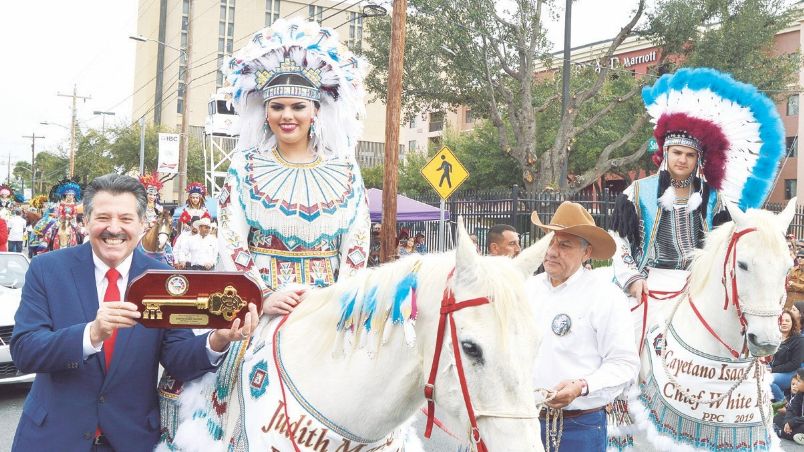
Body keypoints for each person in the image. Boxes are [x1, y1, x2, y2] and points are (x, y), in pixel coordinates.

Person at [163, 19, 371, 449]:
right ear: (265, 111)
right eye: (278, 107)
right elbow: (233, 243)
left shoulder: (346, 168)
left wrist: (336, 300)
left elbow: (356, 243)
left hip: (331, 308)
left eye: (298, 106)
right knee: (233, 390)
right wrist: (262, 298)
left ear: (316, 109)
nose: (287, 116)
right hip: (261, 308)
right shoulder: (244, 167)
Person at [9, 173, 258, 452]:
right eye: (103, 217)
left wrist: (217, 340)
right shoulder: (47, 269)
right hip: (53, 439)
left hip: (131, 440)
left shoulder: (163, 279)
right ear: (86, 220)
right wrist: (90, 334)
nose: (113, 228)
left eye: (126, 219)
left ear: (142, 224)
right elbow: (25, 351)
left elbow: (178, 359)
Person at [610, 68, 783, 306]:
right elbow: (619, 241)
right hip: (647, 282)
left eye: (689, 155)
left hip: (699, 285)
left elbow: (727, 245)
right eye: (677, 153)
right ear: (665, 154)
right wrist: (631, 278)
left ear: (698, 160)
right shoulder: (638, 192)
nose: (682, 159)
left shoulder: (713, 198)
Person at [526, 201, 639, 452]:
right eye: (551, 242)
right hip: (524, 423)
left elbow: (625, 364)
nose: (553, 251)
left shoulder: (605, 296)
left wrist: (582, 386)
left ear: (586, 253)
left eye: (564, 245)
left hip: (580, 427)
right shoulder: (527, 289)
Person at [770, 309, 804, 402]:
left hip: (791, 373)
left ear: (792, 323)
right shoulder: (774, 337)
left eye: (787, 321)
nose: (784, 323)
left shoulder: (799, 339)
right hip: (774, 370)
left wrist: (772, 370)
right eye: (781, 321)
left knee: (768, 380)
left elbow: (795, 364)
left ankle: (785, 405)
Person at [773, 368, 804, 444]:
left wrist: (792, 422)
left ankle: (780, 432)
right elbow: (791, 409)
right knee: (778, 417)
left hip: (801, 422)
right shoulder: (800, 393)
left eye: (799, 381)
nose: (796, 384)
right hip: (799, 421)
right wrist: (787, 422)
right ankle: (798, 435)